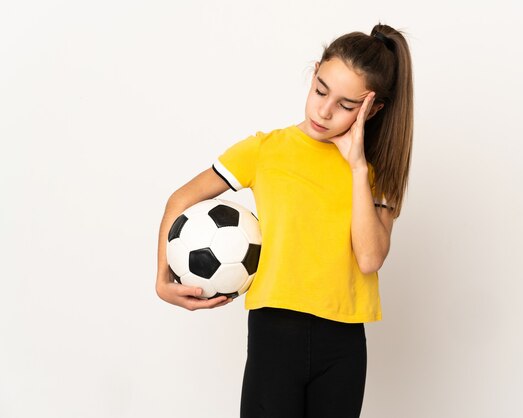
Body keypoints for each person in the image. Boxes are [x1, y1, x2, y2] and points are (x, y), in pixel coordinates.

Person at [155, 22, 413, 418]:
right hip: (274, 337)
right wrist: (163, 278)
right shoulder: (264, 150)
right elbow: (181, 199)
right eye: (321, 90)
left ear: (372, 109)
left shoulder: (376, 173)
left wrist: (359, 169)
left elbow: (369, 259)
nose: (324, 111)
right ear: (313, 75)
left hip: (342, 347)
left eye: (346, 105)